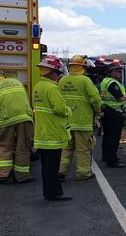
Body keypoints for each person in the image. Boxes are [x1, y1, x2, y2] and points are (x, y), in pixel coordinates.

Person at [33, 55, 72, 201]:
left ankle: (49, 192)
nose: (59, 76)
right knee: (52, 167)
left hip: (42, 132)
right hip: (52, 134)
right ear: (53, 72)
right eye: (58, 73)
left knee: (45, 167)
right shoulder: (51, 88)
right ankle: (53, 194)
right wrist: (69, 110)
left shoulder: (38, 86)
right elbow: (59, 109)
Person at [58, 55, 102, 181]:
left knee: (66, 149)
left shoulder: (62, 80)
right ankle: (83, 173)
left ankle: (61, 172)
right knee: (83, 149)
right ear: (83, 67)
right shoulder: (85, 81)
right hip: (82, 122)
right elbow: (95, 99)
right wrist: (98, 112)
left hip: (66, 122)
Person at [0, 71, 34, 184]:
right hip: (24, 117)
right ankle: (21, 176)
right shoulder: (16, 82)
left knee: (4, 146)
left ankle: (3, 174)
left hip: (5, 119)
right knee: (23, 146)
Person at [99, 62, 126, 168]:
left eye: (120, 71)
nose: (120, 73)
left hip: (107, 111)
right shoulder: (112, 83)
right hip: (114, 112)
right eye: (117, 71)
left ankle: (106, 156)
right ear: (110, 72)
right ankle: (112, 160)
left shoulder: (105, 81)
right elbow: (120, 98)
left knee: (107, 136)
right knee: (114, 137)